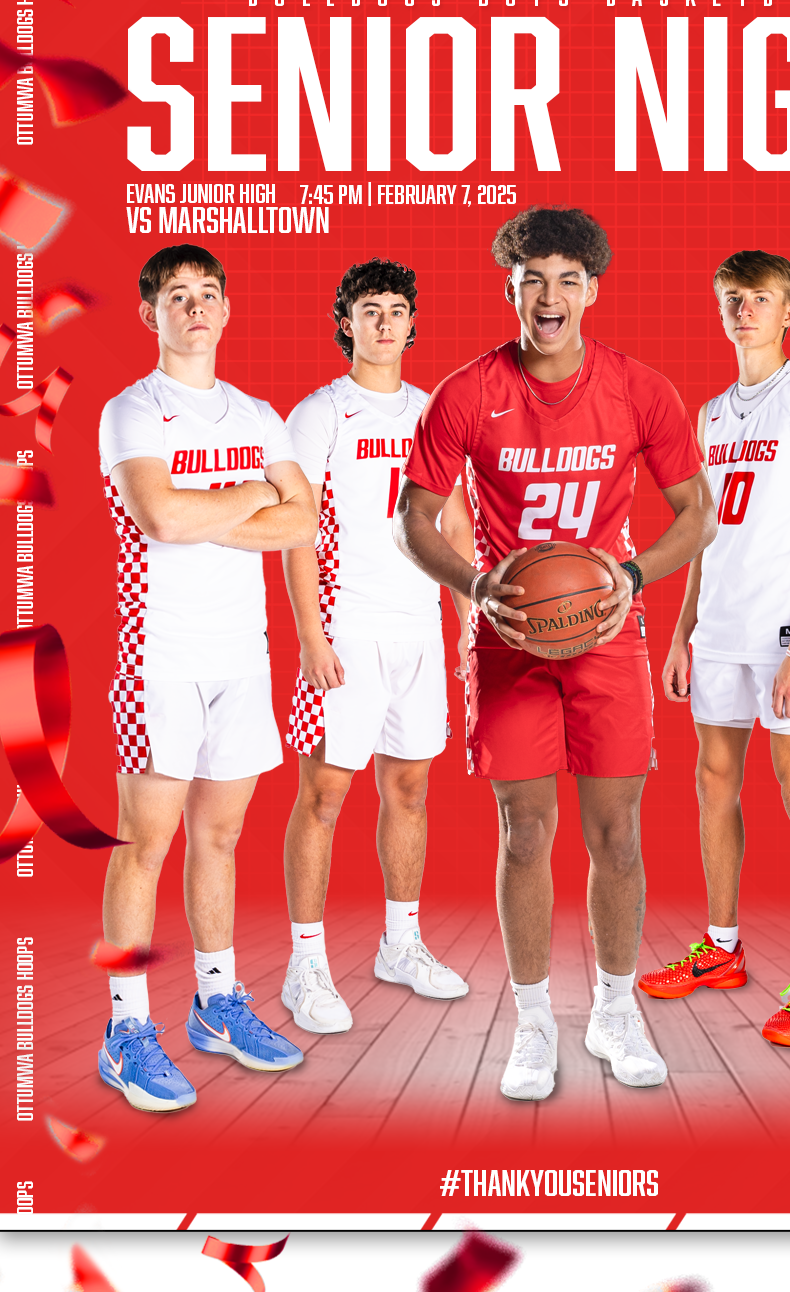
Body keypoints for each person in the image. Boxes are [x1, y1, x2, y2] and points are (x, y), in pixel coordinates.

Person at [393, 206, 716, 1101]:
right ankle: (534, 1021)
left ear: (592, 291)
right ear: (509, 288)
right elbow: (412, 521)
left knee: (618, 835)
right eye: (533, 277)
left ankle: (616, 1009)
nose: (550, 295)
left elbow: (697, 512)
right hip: (508, 637)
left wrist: (632, 573)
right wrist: (473, 585)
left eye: (568, 279)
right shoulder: (465, 392)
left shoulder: (639, 389)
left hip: (606, 637)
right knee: (525, 832)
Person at [97, 244, 316, 1112]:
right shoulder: (132, 411)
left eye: (208, 294)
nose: (195, 307)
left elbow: (303, 518)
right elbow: (158, 512)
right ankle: (124, 1030)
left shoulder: (259, 414)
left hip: (243, 653)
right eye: (176, 295)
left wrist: (210, 513)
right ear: (150, 313)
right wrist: (248, 503)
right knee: (145, 843)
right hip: (163, 653)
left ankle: (217, 1006)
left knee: (219, 839)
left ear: (227, 312)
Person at [643, 252, 790, 1048]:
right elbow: (702, 535)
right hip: (718, 635)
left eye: (760, 299)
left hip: (782, 636)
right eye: (733, 298)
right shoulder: (710, 414)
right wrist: (682, 633)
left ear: (789, 310)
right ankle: (722, 949)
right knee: (713, 781)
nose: (745, 311)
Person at [280, 257, 473, 1032]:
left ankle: (401, 943)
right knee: (324, 796)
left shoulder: (432, 412)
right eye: (370, 309)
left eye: (397, 308)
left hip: (418, 627)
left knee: (411, 791)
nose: (385, 321)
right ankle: (306, 965)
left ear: (412, 324)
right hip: (346, 627)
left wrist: (465, 621)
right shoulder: (319, 414)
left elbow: (450, 525)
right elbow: (296, 531)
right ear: (347, 324)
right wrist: (310, 637)